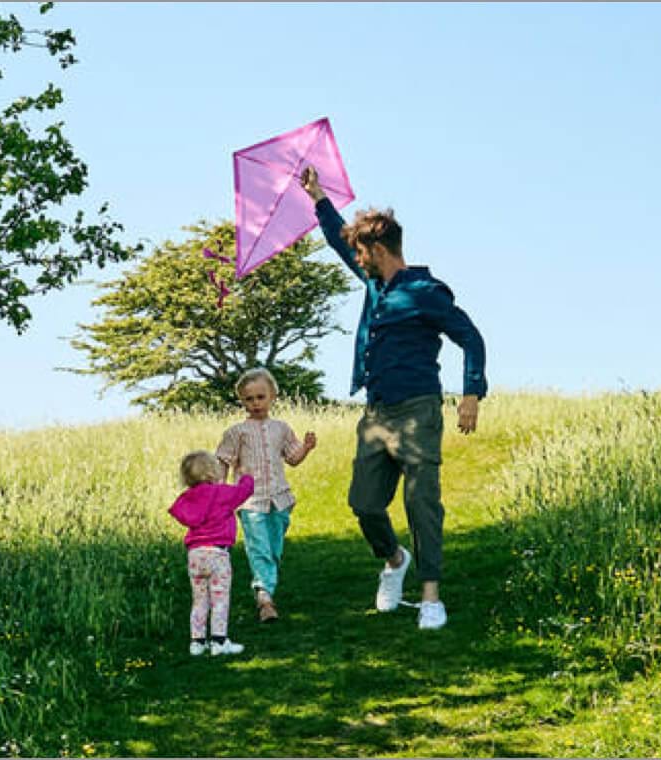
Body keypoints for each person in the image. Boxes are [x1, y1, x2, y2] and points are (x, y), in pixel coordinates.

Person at [299, 165, 488, 631]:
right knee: (364, 503)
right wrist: (318, 196)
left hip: (418, 410)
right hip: (377, 414)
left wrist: (471, 393)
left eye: (362, 253)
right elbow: (337, 239)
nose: (357, 259)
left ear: (379, 250)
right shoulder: (374, 285)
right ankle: (394, 559)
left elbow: (471, 337)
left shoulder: (426, 293)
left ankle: (430, 597)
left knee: (421, 502)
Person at [215, 367, 318, 624]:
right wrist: (220, 492)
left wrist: (306, 448)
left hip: (280, 499)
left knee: (274, 548)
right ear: (242, 401)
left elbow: (292, 458)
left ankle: (266, 583)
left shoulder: (281, 429)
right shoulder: (236, 432)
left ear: (272, 396)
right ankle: (264, 597)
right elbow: (223, 461)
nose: (256, 403)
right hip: (251, 501)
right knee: (258, 547)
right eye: (249, 399)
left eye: (261, 397)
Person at [168, 450, 255, 655]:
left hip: (195, 555)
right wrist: (246, 476)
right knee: (219, 598)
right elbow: (243, 492)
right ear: (211, 472)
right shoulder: (220, 493)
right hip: (218, 554)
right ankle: (219, 641)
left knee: (199, 600)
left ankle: (197, 642)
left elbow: (179, 512)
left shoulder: (187, 498)